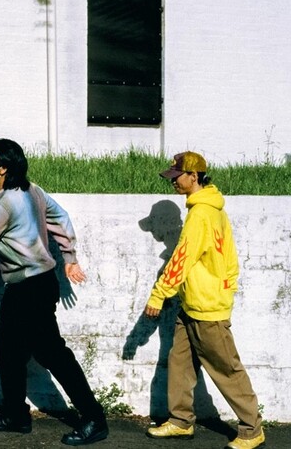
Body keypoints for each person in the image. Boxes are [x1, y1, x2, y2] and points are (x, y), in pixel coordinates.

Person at [0, 138, 107, 446]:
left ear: (2, 167)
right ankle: (15, 415)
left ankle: (94, 418)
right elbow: (61, 219)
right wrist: (69, 258)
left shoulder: (4, 206)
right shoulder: (33, 191)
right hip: (33, 285)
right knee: (8, 350)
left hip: (29, 288)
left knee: (53, 354)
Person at [144, 152, 264, 449]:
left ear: (194, 176)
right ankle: (181, 421)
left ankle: (252, 429)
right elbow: (231, 259)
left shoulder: (201, 214)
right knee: (179, 362)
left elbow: (181, 260)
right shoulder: (213, 210)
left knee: (226, 370)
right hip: (194, 304)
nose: (173, 182)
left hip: (207, 309)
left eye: (177, 177)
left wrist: (159, 295)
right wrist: (227, 289)